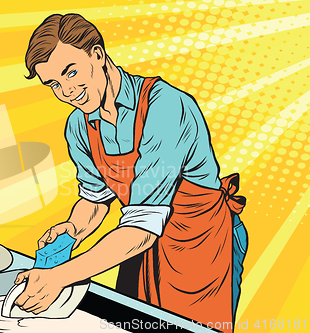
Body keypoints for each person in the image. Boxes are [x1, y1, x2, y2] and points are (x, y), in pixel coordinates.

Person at [13, 13, 248, 331]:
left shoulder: (165, 107)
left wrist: (60, 276)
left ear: (97, 54)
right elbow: (96, 200)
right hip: (138, 245)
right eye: (54, 83)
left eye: (71, 72)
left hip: (199, 248)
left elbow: (143, 225)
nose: (67, 90)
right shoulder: (80, 126)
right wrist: (73, 228)